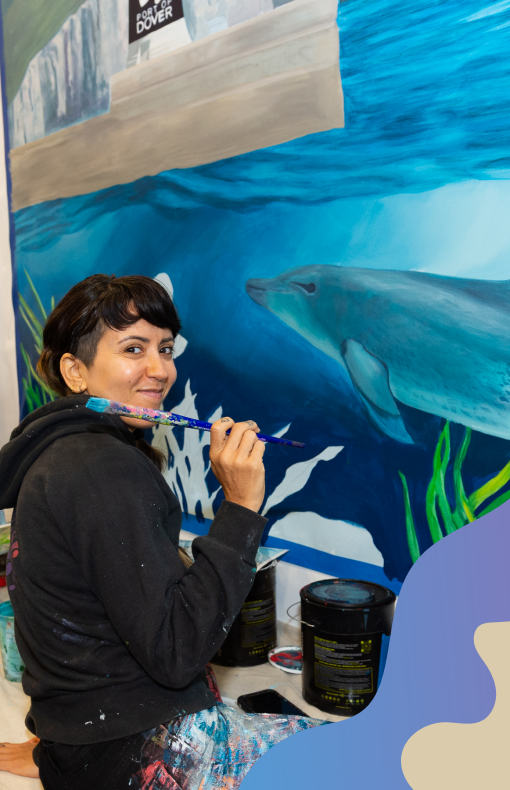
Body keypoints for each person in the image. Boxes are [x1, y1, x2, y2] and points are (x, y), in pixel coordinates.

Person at [0, 274, 326, 790]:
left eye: (166, 349)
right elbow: (177, 652)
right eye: (134, 348)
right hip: (140, 753)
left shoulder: (58, 454)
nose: (160, 370)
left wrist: (59, 746)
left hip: (89, 745)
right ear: (75, 371)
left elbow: (75, 619)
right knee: (361, 754)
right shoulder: (102, 467)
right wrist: (241, 506)